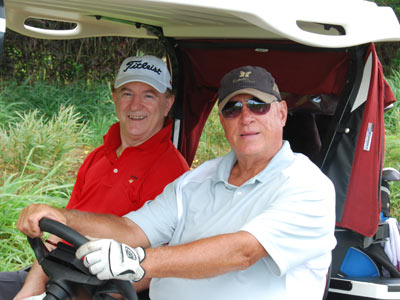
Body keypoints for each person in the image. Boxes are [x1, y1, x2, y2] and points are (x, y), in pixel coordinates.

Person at [17, 66, 336, 300]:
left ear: (281, 113)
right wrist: (63, 217)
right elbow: (132, 231)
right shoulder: (197, 181)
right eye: (233, 108)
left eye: (258, 105)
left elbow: (243, 252)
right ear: (222, 120)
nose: (246, 117)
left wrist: (138, 261)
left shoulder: (307, 187)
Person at [2, 55, 189, 300]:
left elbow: (157, 267)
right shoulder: (98, 156)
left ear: (167, 103)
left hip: (104, 288)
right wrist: (30, 291)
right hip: (57, 273)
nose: (135, 106)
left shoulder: (174, 173)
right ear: (114, 98)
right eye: (127, 93)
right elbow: (59, 231)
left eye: (149, 95)